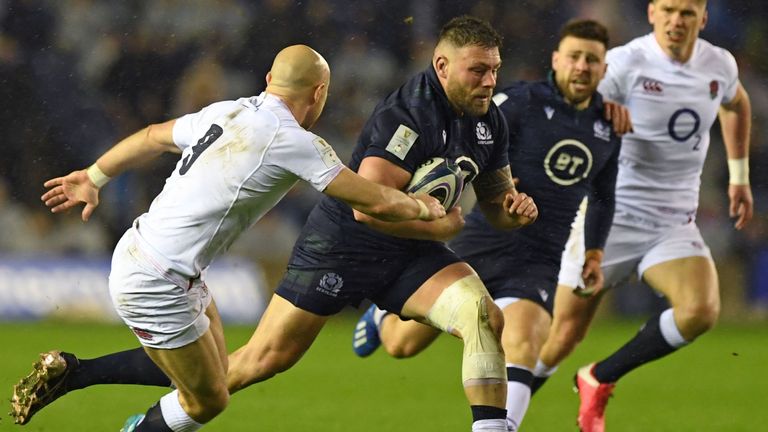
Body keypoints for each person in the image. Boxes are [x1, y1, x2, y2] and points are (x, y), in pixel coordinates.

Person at [11, 17, 538, 432]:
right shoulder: (304, 140)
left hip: (162, 261)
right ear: (319, 95)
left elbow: (151, 134)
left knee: (216, 371)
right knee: (213, 392)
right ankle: (88, 384)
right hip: (175, 274)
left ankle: (76, 374)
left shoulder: (228, 109)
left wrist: (95, 175)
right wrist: (435, 216)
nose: (490, 80)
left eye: (495, 69)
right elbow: (370, 201)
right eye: (478, 70)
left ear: (268, 81)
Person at [349, 19, 626, 431]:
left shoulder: (608, 126)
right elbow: (471, 140)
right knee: (400, 345)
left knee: (526, 341)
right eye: (574, 57)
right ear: (557, 60)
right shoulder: (519, 101)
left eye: (592, 60)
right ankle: (379, 317)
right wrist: (490, 185)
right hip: (481, 238)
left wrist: (593, 251)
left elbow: (603, 195)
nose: (582, 67)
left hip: (540, 255)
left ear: (604, 69)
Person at [534, 1, 754, 431]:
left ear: (702, 19)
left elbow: (736, 104)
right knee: (560, 338)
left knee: (700, 310)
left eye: (687, 13)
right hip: (611, 218)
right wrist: (598, 112)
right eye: (668, 10)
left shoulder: (718, 65)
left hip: (673, 222)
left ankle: (599, 377)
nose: (677, 20)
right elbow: (571, 107)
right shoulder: (624, 63)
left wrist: (739, 176)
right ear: (652, 13)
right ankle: (501, 417)